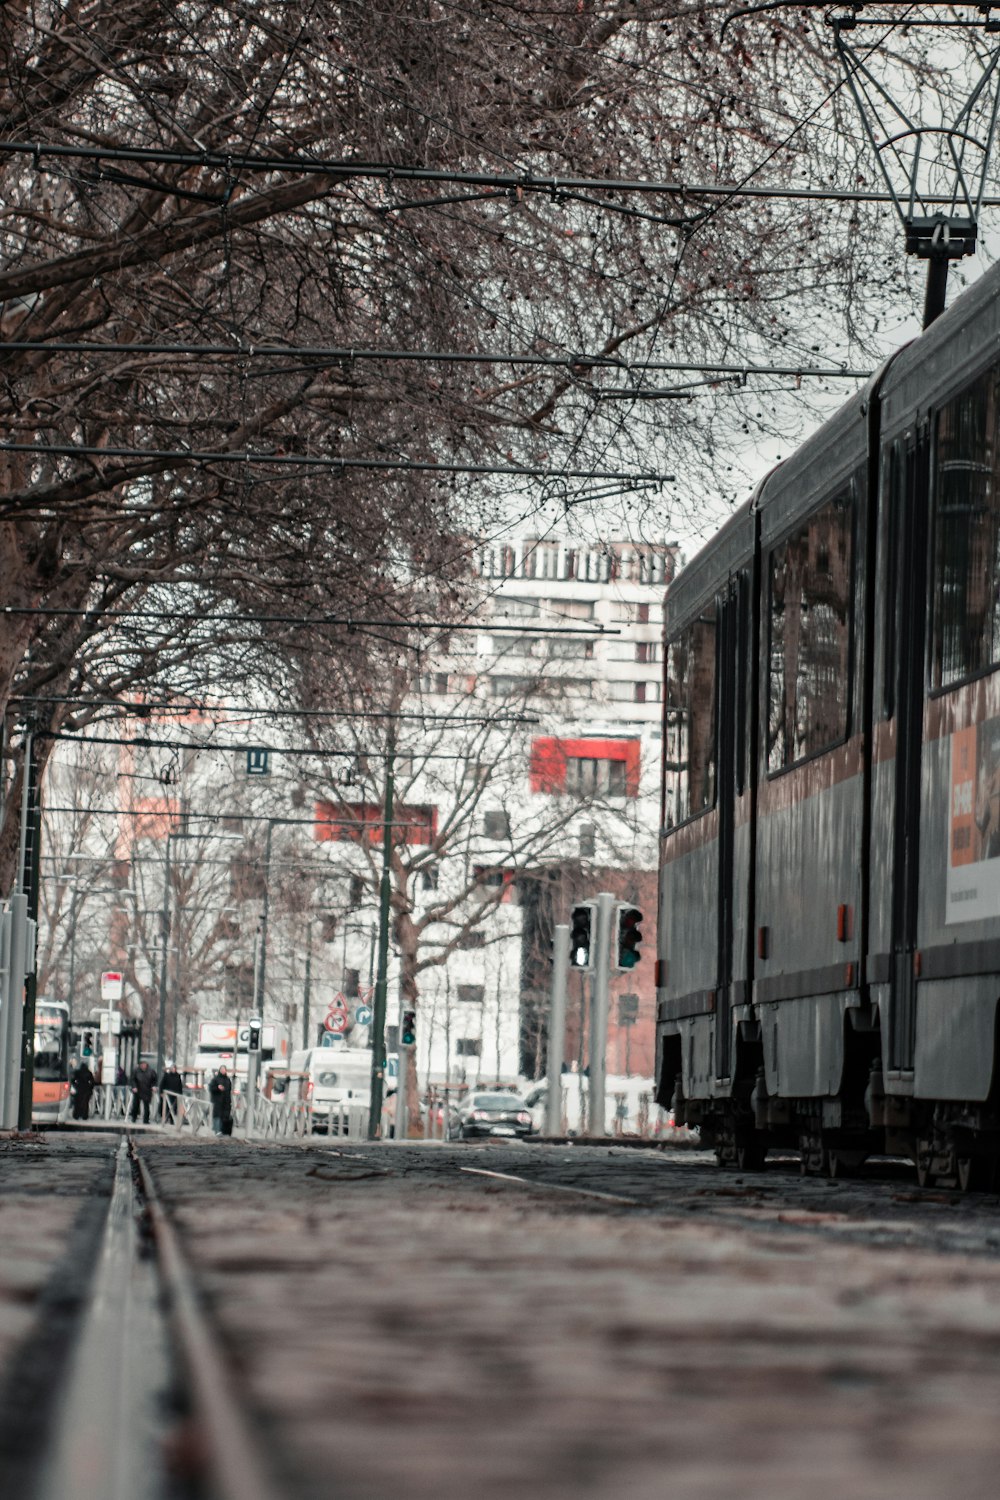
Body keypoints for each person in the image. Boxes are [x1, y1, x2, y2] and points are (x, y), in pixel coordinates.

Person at [208, 1065, 233, 1137]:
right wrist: (218, 1088)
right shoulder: (215, 1079)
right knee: (217, 1116)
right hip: (217, 1101)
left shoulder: (228, 1080)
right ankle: (217, 1130)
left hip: (226, 1101)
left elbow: (229, 1091)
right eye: (222, 1069)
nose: (223, 1071)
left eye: (224, 1069)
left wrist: (229, 1101)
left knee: (224, 1116)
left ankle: (223, 1131)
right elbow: (211, 1088)